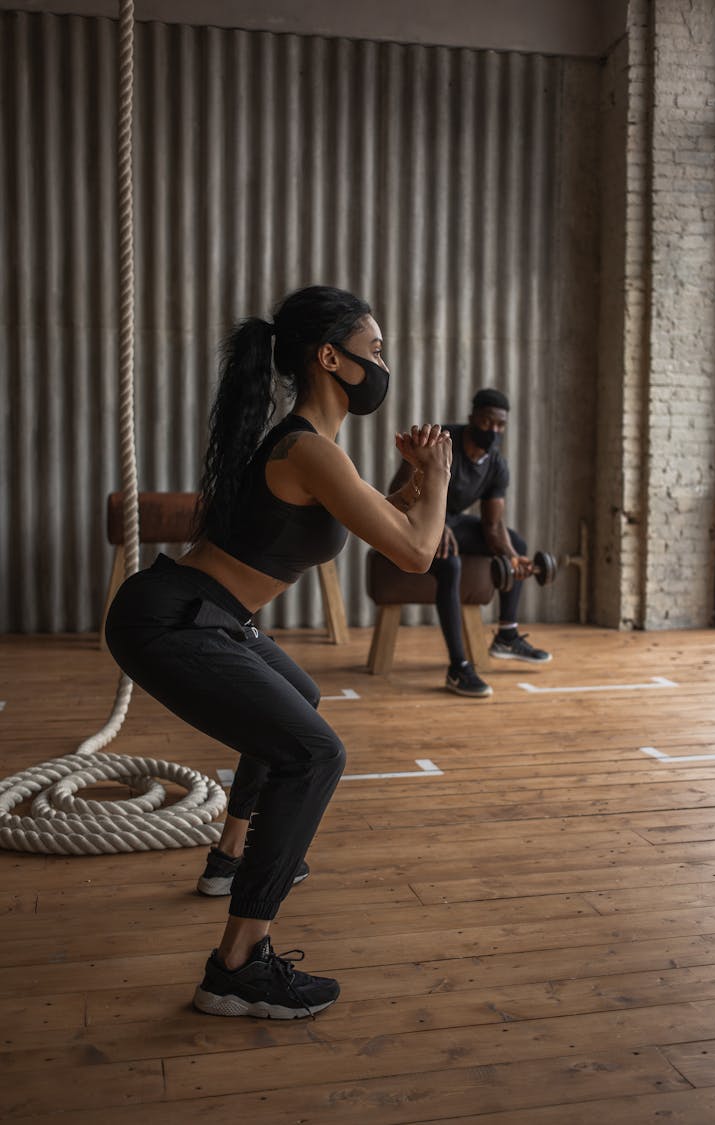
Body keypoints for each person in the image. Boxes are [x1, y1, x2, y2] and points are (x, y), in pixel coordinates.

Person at [105, 286, 451, 1019]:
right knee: (315, 753)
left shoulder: (314, 448)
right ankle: (236, 964)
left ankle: (230, 857)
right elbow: (418, 549)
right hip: (174, 621)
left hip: (207, 616)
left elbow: (397, 521)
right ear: (331, 357)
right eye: (376, 350)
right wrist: (442, 476)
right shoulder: (307, 449)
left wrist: (420, 481)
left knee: (301, 705)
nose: (383, 364)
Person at [389, 387, 551, 699]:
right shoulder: (439, 443)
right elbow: (397, 491)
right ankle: (459, 667)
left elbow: (492, 526)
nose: (494, 431)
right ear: (472, 419)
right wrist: (436, 524)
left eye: (501, 425)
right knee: (451, 562)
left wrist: (514, 559)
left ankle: (506, 634)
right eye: (488, 423)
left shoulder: (496, 466)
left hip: (451, 524)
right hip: (412, 522)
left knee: (514, 543)